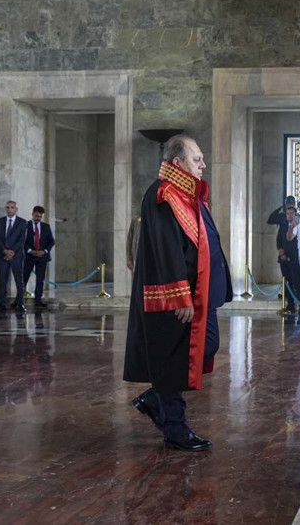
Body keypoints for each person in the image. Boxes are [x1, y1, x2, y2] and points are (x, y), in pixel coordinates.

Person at [124, 134, 233, 452]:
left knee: (207, 345)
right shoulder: (163, 194)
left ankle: (154, 398)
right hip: (180, 297)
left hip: (202, 292)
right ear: (177, 162)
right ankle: (175, 428)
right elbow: (165, 249)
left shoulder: (187, 193)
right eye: (196, 159)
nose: (203, 164)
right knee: (172, 359)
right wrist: (179, 295)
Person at [0, 200, 27, 313]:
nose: (9, 209)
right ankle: (2, 304)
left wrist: (11, 252)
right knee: (2, 280)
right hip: (2, 255)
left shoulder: (22, 222)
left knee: (19, 280)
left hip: (16, 256)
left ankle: (20, 303)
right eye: (7, 207)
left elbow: (22, 239)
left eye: (12, 207)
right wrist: (5, 251)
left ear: (16, 209)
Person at [23, 206, 54, 308]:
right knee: (24, 277)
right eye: (36, 216)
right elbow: (22, 241)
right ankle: (19, 299)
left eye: (40, 217)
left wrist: (44, 251)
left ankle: (38, 300)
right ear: (32, 214)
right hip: (29, 256)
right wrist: (30, 251)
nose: (38, 218)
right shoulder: (25, 225)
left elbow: (51, 241)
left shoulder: (46, 226)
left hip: (42, 257)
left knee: (40, 279)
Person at [277, 205, 300, 321]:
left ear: (295, 214)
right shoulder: (283, 225)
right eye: (287, 214)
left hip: (295, 258)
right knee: (286, 282)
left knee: (296, 281)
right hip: (284, 258)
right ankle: (290, 304)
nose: (289, 216)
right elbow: (279, 240)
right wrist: (281, 252)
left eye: (291, 214)